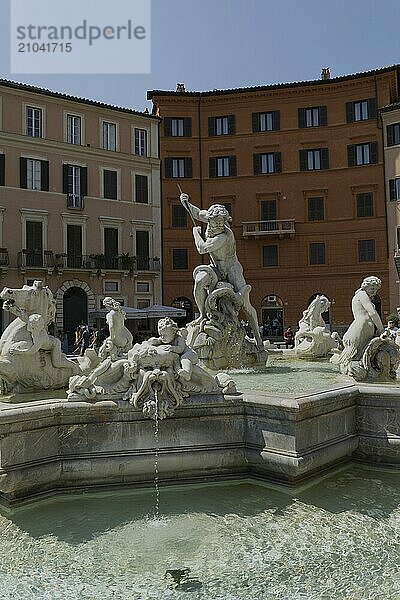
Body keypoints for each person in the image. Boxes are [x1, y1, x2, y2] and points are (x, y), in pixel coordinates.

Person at [180, 193, 263, 350]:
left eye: (221, 222)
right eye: (216, 222)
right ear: (210, 220)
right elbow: (197, 213)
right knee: (199, 281)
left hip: (232, 269)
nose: (219, 225)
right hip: (215, 268)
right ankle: (203, 316)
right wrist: (185, 202)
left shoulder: (224, 236)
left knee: (246, 304)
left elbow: (202, 248)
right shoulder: (210, 218)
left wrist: (195, 233)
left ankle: (258, 339)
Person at [337, 276, 384, 365]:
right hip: (361, 327)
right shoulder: (362, 294)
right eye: (372, 288)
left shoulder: (362, 296)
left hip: (364, 327)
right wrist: (381, 329)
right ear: (365, 286)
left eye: (376, 289)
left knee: (360, 356)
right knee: (354, 356)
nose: (374, 291)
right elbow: (372, 313)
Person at [148, 317, 198, 381]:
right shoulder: (164, 339)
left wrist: (172, 348)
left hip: (191, 354)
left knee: (184, 358)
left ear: (173, 332)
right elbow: (150, 341)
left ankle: (187, 373)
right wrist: (155, 340)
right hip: (179, 357)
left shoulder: (179, 338)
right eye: (160, 335)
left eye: (165, 335)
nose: (162, 337)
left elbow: (181, 349)